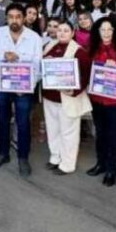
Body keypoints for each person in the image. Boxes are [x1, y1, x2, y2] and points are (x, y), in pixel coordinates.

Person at [0, 3, 43, 175]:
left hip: (24, 88)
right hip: (3, 85)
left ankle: (23, 157)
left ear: (24, 18)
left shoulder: (34, 38)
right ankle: (3, 154)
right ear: (6, 18)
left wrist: (27, 86)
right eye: (11, 17)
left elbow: (38, 66)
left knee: (23, 122)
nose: (14, 20)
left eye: (18, 17)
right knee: (3, 119)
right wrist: (3, 56)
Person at [87, 17, 116, 186]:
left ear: (115, 31)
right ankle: (101, 163)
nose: (106, 33)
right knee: (100, 133)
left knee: (114, 135)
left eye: (109, 29)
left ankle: (111, 169)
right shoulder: (92, 48)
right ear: (97, 32)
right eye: (102, 29)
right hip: (97, 99)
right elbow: (87, 71)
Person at [41, 21, 92, 175]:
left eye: (66, 30)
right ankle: (55, 157)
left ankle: (67, 164)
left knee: (68, 133)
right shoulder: (49, 46)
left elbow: (86, 76)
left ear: (72, 33)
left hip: (68, 98)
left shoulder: (79, 52)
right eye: (59, 30)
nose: (62, 33)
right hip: (50, 96)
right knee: (53, 129)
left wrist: (73, 91)